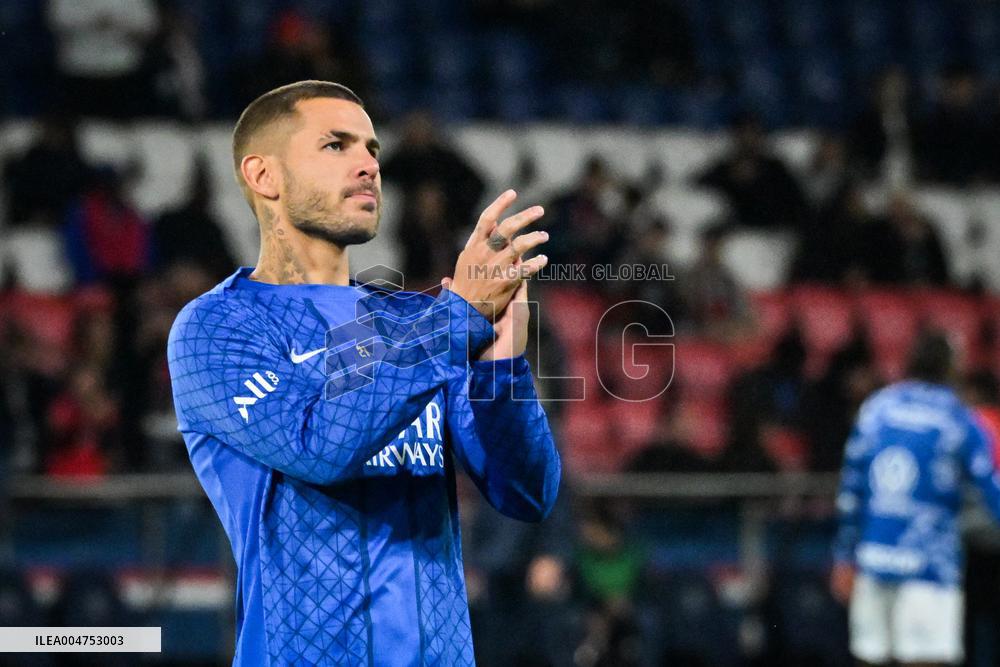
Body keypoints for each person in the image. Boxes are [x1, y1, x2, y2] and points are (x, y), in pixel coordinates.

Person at [166, 81, 561, 665]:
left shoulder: (418, 325)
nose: (368, 165)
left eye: (373, 149)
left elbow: (526, 491)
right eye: (335, 146)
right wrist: (457, 321)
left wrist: (501, 367)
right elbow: (319, 447)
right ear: (263, 176)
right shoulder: (217, 328)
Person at [831, 332, 1000, 666]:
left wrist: (843, 557)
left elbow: (851, 491)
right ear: (952, 367)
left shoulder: (876, 410)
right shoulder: (957, 419)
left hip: (875, 561)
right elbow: (990, 488)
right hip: (929, 568)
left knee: (872, 657)